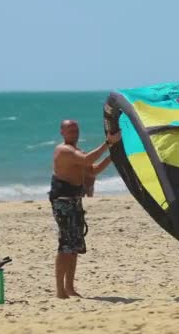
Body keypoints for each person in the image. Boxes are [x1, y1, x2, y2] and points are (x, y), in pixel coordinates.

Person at [49, 119, 121, 299]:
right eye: (70, 131)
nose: (74, 133)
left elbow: (93, 170)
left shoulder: (78, 151)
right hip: (63, 201)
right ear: (62, 133)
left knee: (74, 246)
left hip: (75, 201)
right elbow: (88, 159)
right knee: (65, 245)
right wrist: (108, 143)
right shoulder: (63, 150)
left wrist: (113, 154)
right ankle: (60, 290)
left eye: (76, 130)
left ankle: (70, 287)